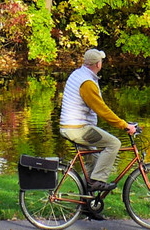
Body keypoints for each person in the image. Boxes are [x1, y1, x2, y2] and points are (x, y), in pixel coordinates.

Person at [58, 48, 136, 205]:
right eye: (101, 60)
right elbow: (102, 110)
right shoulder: (87, 83)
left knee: (93, 162)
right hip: (78, 129)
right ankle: (98, 182)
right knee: (114, 143)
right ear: (98, 64)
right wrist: (124, 125)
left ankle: (89, 205)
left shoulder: (79, 74)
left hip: (71, 126)